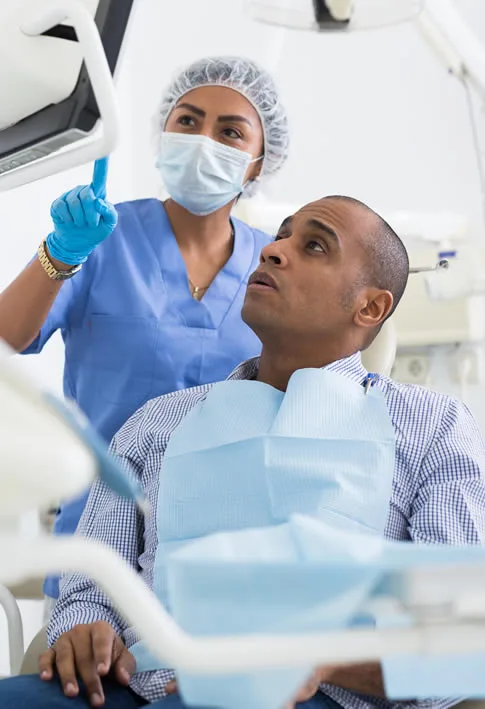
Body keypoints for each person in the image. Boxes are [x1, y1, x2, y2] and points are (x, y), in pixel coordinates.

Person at [3, 195, 485, 709]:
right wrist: (85, 626)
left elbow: (461, 637)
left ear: (370, 307)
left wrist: (320, 660)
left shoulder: (434, 426)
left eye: (315, 245)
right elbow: (92, 578)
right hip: (141, 683)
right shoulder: (156, 422)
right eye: (280, 235)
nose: (274, 251)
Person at [0, 56, 289, 609]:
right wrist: (60, 254)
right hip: (98, 550)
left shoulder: (272, 266)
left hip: (230, 545)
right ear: (163, 134)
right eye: (187, 120)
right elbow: (5, 342)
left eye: (229, 131)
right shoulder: (99, 237)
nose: (203, 139)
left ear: (257, 164)